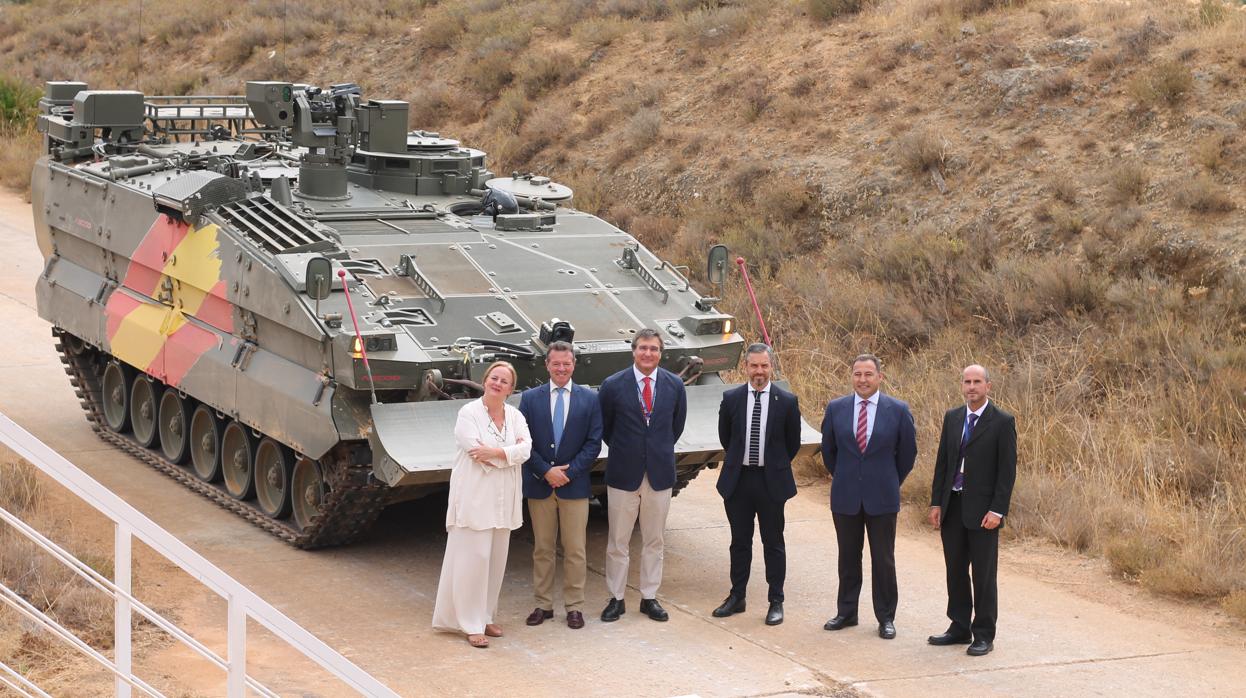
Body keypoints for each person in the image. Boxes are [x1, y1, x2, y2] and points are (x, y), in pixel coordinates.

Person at [432, 361, 532, 649]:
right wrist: (507, 454)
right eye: (494, 378)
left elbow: (526, 449)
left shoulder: (515, 416)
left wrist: (497, 452)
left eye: (504, 381)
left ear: (510, 389)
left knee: (495, 561)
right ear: (485, 380)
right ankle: (469, 623)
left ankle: (485, 615)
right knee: (472, 559)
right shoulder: (469, 413)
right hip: (474, 495)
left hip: (504, 498)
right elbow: (475, 451)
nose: (497, 384)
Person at [820, 353, 916, 640]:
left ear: (879, 377)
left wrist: (889, 480)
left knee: (883, 560)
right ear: (852, 377)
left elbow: (907, 454)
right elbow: (829, 452)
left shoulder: (898, 410)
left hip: (882, 497)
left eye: (868, 374)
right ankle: (846, 612)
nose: (862, 380)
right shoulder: (836, 408)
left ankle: (886, 617)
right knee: (848, 558)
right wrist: (846, 476)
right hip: (846, 495)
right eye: (857, 374)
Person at [597, 328, 687, 623]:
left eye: (654, 349)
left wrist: (653, 450)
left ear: (661, 353)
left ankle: (649, 597)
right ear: (633, 350)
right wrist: (631, 450)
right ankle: (616, 598)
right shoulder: (612, 385)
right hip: (623, 473)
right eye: (643, 348)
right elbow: (606, 428)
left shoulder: (675, 385)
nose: (648, 353)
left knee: (654, 540)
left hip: (659, 474)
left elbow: (675, 427)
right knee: (618, 541)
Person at [927, 364, 1016, 657]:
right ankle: (959, 626)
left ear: (988, 386)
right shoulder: (953, 417)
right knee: (955, 570)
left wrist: (998, 511)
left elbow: (1006, 472)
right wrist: (937, 502)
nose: (972, 387)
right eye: (967, 382)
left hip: (983, 512)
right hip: (953, 505)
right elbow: (943, 463)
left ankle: (984, 634)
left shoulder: (1002, 421)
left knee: (983, 575)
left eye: (977, 381)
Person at [712, 343, 803, 626]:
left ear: (771, 367)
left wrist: (772, 464)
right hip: (739, 481)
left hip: (770, 482)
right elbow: (726, 438)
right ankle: (737, 596)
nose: (759, 371)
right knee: (739, 542)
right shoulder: (731, 399)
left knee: (773, 543)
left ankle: (776, 600)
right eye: (754, 366)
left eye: (764, 365)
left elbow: (792, 444)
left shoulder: (786, 401)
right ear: (746, 367)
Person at [518, 341, 603, 630]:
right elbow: (523, 441)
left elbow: (593, 443)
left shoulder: (590, 399)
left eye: (566, 363)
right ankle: (543, 605)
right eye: (556, 363)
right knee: (542, 549)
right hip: (540, 485)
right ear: (547, 365)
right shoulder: (530, 399)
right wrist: (545, 471)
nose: (561, 368)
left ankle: (574, 606)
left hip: (574, 486)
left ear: (574, 365)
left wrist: (569, 473)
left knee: (575, 550)